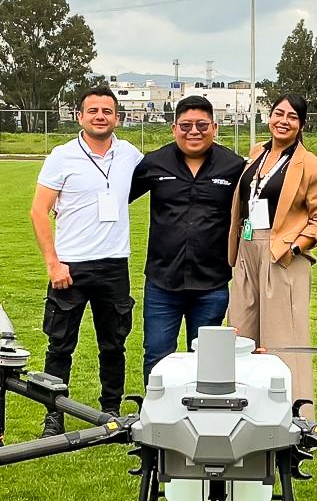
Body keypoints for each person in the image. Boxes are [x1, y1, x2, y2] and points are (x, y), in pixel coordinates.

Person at [30, 85, 143, 435]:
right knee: (60, 345)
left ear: (117, 118)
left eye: (107, 111)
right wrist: (53, 263)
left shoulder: (130, 154)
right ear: (80, 116)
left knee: (114, 344)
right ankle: (54, 415)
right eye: (93, 111)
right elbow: (39, 211)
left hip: (114, 265)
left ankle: (111, 411)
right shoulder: (62, 156)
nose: (100, 117)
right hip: (70, 266)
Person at [226, 92, 317, 413]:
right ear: (269, 116)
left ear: (302, 125)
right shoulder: (257, 153)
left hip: (282, 255)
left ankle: (296, 414)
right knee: (240, 334)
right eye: (278, 113)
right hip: (247, 248)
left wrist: (295, 247)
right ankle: (246, 410)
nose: (283, 121)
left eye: (292, 117)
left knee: (284, 339)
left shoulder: (310, 165)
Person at [129, 95, 246, 385]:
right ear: (174, 128)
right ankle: (157, 410)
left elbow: (259, 205)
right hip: (162, 283)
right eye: (186, 125)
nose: (194, 131)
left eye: (202, 125)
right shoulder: (154, 163)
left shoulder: (233, 166)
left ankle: (200, 411)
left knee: (207, 360)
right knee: (157, 357)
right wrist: (66, 202)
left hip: (212, 284)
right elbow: (115, 196)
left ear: (214, 127)